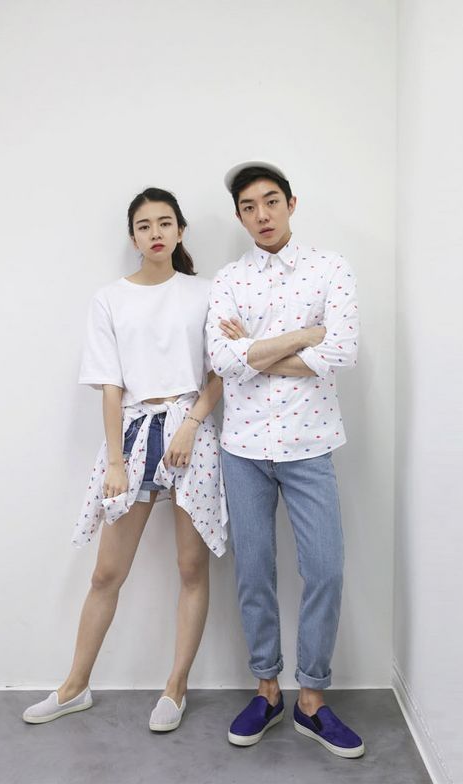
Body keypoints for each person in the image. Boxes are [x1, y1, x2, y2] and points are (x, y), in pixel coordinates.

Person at [23, 187, 227, 731]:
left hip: (191, 432)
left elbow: (220, 372)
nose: (155, 233)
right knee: (106, 573)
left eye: (165, 223)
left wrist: (190, 425)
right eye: (144, 225)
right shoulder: (109, 298)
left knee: (191, 567)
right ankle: (74, 686)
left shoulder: (207, 292)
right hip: (135, 435)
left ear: (180, 231)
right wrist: (115, 461)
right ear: (132, 236)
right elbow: (110, 386)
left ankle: (175, 688)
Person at [206, 161, 364, 757]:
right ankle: (267, 690)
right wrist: (303, 335)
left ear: (291, 204)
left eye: (271, 201)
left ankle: (312, 699)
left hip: (310, 443)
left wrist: (254, 349)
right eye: (249, 207)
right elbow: (223, 362)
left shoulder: (331, 268)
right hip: (242, 448)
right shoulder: (229, 279)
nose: (262, 214)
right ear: (240, 216)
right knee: (254, 572)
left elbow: (343, 351)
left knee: (325, 570)